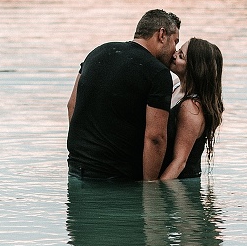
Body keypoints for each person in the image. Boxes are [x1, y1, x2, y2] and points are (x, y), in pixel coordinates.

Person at [67, 9, 180, 182]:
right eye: (175, 42)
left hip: (77, 169)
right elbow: (156, 137)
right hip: (117, 178)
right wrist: (150, 189)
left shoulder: (97, 52)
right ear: (162, 35)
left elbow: (72, 105)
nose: (174, 51)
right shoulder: (158, 73)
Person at [160, 38, 223, 180]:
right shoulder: (176, 85)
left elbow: (180, 162)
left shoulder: (191, 108)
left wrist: (153, 191)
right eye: (178, 51)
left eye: (181, 56)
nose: (174, 55)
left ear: (195, 69)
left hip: (182, 186)